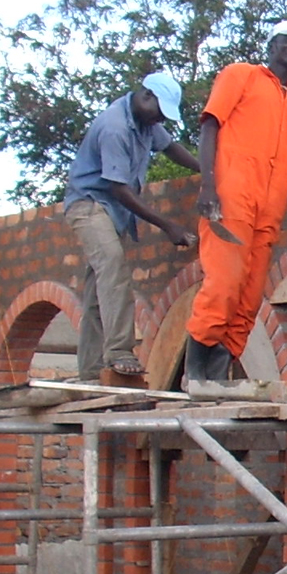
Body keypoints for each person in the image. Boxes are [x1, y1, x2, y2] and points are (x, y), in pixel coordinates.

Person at [184, 20, 287, 382]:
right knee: (223, 287)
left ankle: (215, 377)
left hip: (268, 213)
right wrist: (207, 186)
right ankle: (194, 376)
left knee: (249, 299)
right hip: (231, 201)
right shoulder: (241, 75)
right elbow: (210, 124)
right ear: (272, 44)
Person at [64, 73, 199, 381]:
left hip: (112, 213)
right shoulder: (116, 127)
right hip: (89, 205)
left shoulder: (146, 122)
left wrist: (206, 169)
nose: (160, 119)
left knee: (99, 294)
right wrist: (168, 226)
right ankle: (119, 351)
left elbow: (170, 147)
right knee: (113, 267)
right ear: (146, 95)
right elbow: (119, 189)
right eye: (159, 112)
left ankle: (90, 370)